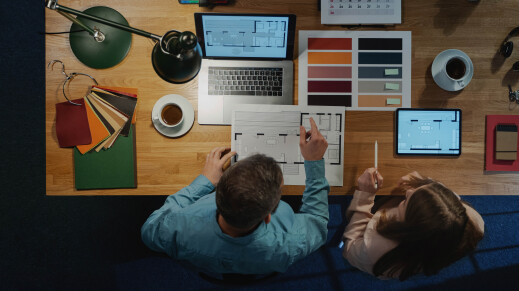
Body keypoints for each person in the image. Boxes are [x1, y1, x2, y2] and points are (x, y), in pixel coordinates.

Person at [141, 118, 330, 279]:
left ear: (216, 194)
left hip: (206, 266)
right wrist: (314, 163)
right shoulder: (288, 244)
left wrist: (204, 182)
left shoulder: (179, 228)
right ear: (268, 217)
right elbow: (318, 222)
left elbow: (149, 231)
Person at [342, 169, 485, 280]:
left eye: (404, 204)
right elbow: (446, 195)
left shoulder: (375, 247)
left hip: (375, 255)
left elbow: (349, 249)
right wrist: (423, 183)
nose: (408, 191)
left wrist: (365, 197)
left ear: (406, 229)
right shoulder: (467, 218)